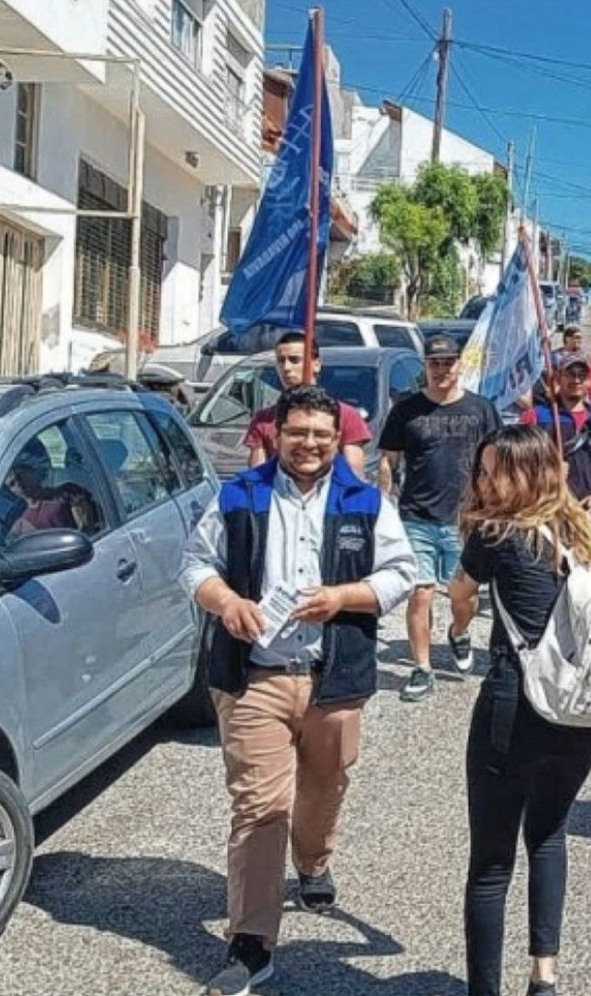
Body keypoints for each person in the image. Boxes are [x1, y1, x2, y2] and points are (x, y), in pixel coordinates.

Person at [180, 384, 418, 996]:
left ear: (337, 439)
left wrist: (342, 598)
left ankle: (313, 860)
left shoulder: (364, 502)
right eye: (297, 432)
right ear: (277, 435)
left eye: (320, 434)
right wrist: (226, 603)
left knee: (325, 785)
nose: (309, 444)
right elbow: (195, 565)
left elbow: (402, 574)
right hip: (254, 676)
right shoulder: (239, 496)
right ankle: (251, 943)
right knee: (260, 808)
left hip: (333, 680)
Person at [446, 427, 591, 996]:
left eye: (495, 472)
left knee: (491, 864)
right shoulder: (582, 532)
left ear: (528, 474)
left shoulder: (496, 533)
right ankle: (544, 975)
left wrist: (459, 627)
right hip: (578, 710)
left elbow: (461, 594)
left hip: (514, 702)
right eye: (482, 471)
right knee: (548, 835)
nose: (483, 482)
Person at [376, 334, 502, 702]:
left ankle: (459, 633)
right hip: (416, 517)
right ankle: (422, 668)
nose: (441, 369)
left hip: (467, 520)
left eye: (448, 362)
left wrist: (498, 505)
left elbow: (498, 461)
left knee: (465, 597)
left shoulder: (481, 409)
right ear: (425, 366)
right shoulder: (406, 410)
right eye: (434, 363)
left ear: (460, 365)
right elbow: (388, 460)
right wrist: (383, 505)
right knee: (420, 594)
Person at [245, 332, 372, 473]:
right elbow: (257, 476)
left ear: (316, 365)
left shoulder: (346, 416)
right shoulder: (263, 419)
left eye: (294, 360)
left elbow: (353, 476)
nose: (286, 368)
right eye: (281, 360)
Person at [519, 352, 591, 515]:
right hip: (546, 510)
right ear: (558, 378)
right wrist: (550, 473)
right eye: (570, 374)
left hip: (585, 511)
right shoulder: (536, 417)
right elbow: (518, 465)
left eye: (582, 375)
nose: (576, 380)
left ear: (589, 381)